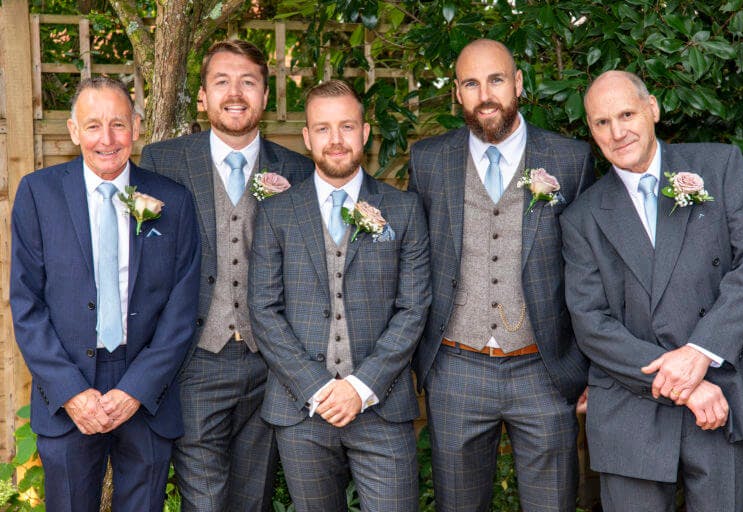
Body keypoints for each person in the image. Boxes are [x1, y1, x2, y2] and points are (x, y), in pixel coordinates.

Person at [561, 70, 743, 511]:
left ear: (652, 108)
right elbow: (591, 322)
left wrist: (700, 354)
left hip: (723, 392)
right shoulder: (582, 217)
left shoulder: (720, 166)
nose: (617, 132)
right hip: (631, 406)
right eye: (601, 122)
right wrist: (686, 385)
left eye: (626, 114)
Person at [408, 38, 595, 511]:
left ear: (518, 83)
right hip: (456, 368)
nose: (484, 94)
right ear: (457, 92)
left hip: (545, 368)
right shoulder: (428, 161)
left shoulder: (571, 160)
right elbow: (413, 262)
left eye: (495, 79)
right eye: (471, 83)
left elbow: (593, 269)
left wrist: (592, 366)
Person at [9, 77, 201, 512]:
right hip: (68, 387)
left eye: (118, 124)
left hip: (146, 390)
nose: (107, 139)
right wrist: (72, 392)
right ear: (74, 132)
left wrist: (136, 389)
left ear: (136, 126)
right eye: (93, 126)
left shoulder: (173, 200)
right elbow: (26, 304)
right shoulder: (38, 194)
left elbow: (181, 309)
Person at [140, 40, 313, 512]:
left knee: (252, 497)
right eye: (221, 81)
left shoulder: (298, 171)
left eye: (248, 82)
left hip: (271, 364)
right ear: (202, 96)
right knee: (205, 500)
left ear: (264, 96)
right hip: (195, 360)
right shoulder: (162, 162)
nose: (235, 93)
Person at [249, 79, 430, 512]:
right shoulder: (276, 213)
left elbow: (413, 307)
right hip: (302, 410)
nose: (336, 140)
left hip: (381, 406)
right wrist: (315, 387)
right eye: (323, 129)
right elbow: (264, 309)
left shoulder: (402, 210)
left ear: (365, 134)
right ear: (307, 137)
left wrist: (361, 385)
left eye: (347, 127)